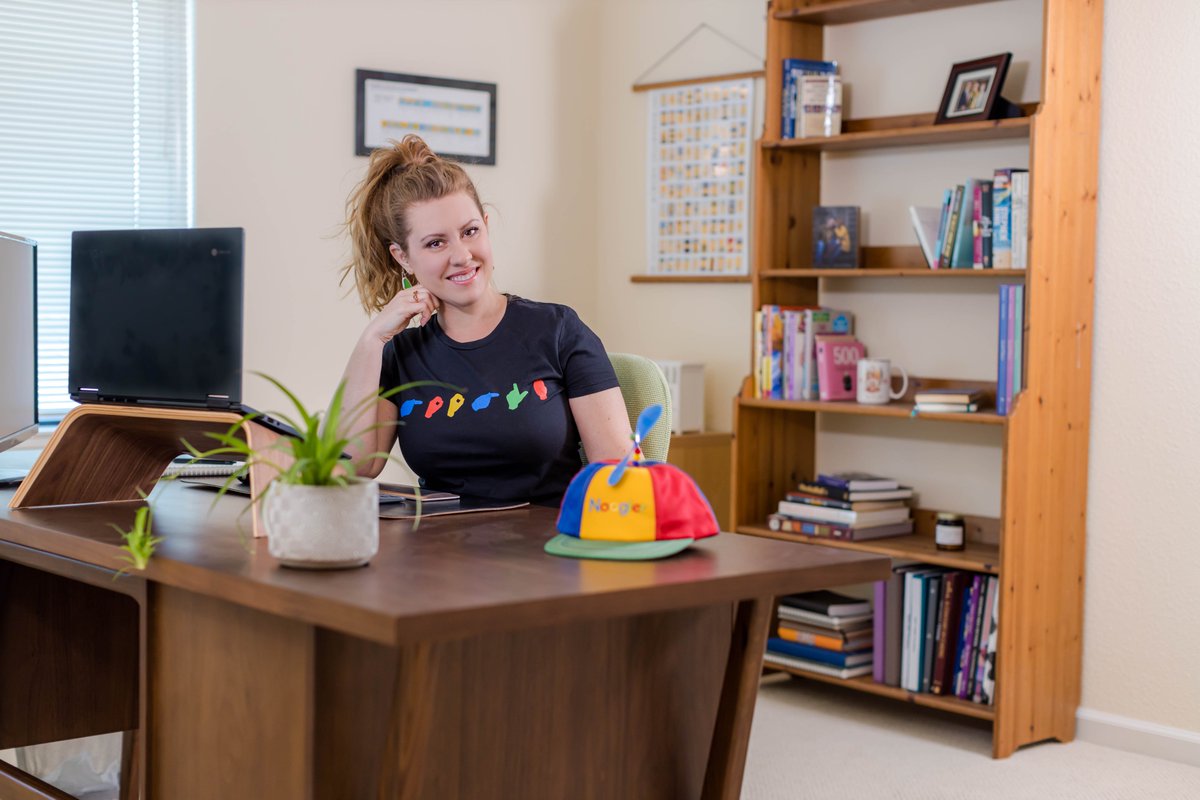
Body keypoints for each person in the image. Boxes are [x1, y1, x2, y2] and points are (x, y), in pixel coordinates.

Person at [339, 135, 632, 503]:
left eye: (470, 231)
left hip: (548, 537)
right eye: (436, 243)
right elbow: (354, 467)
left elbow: (618, 474)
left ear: (486, 226)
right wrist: (372, 340)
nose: (462, 255)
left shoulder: (558, 331)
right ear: (403, 257)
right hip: (437, 539)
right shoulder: (401, 353)